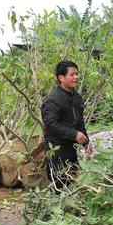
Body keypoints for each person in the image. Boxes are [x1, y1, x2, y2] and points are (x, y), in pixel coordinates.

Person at [41, 60, 90, 190]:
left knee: (72, 183)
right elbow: (51, 124)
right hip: (57, 150)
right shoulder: (53, 100)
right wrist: (74, 134)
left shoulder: (77, 97)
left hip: (71, 149)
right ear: (61, 78)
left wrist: (87, 144)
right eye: (72, 74)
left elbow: (80, 123)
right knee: (59, 186)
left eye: (77, 74)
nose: (76, 77)